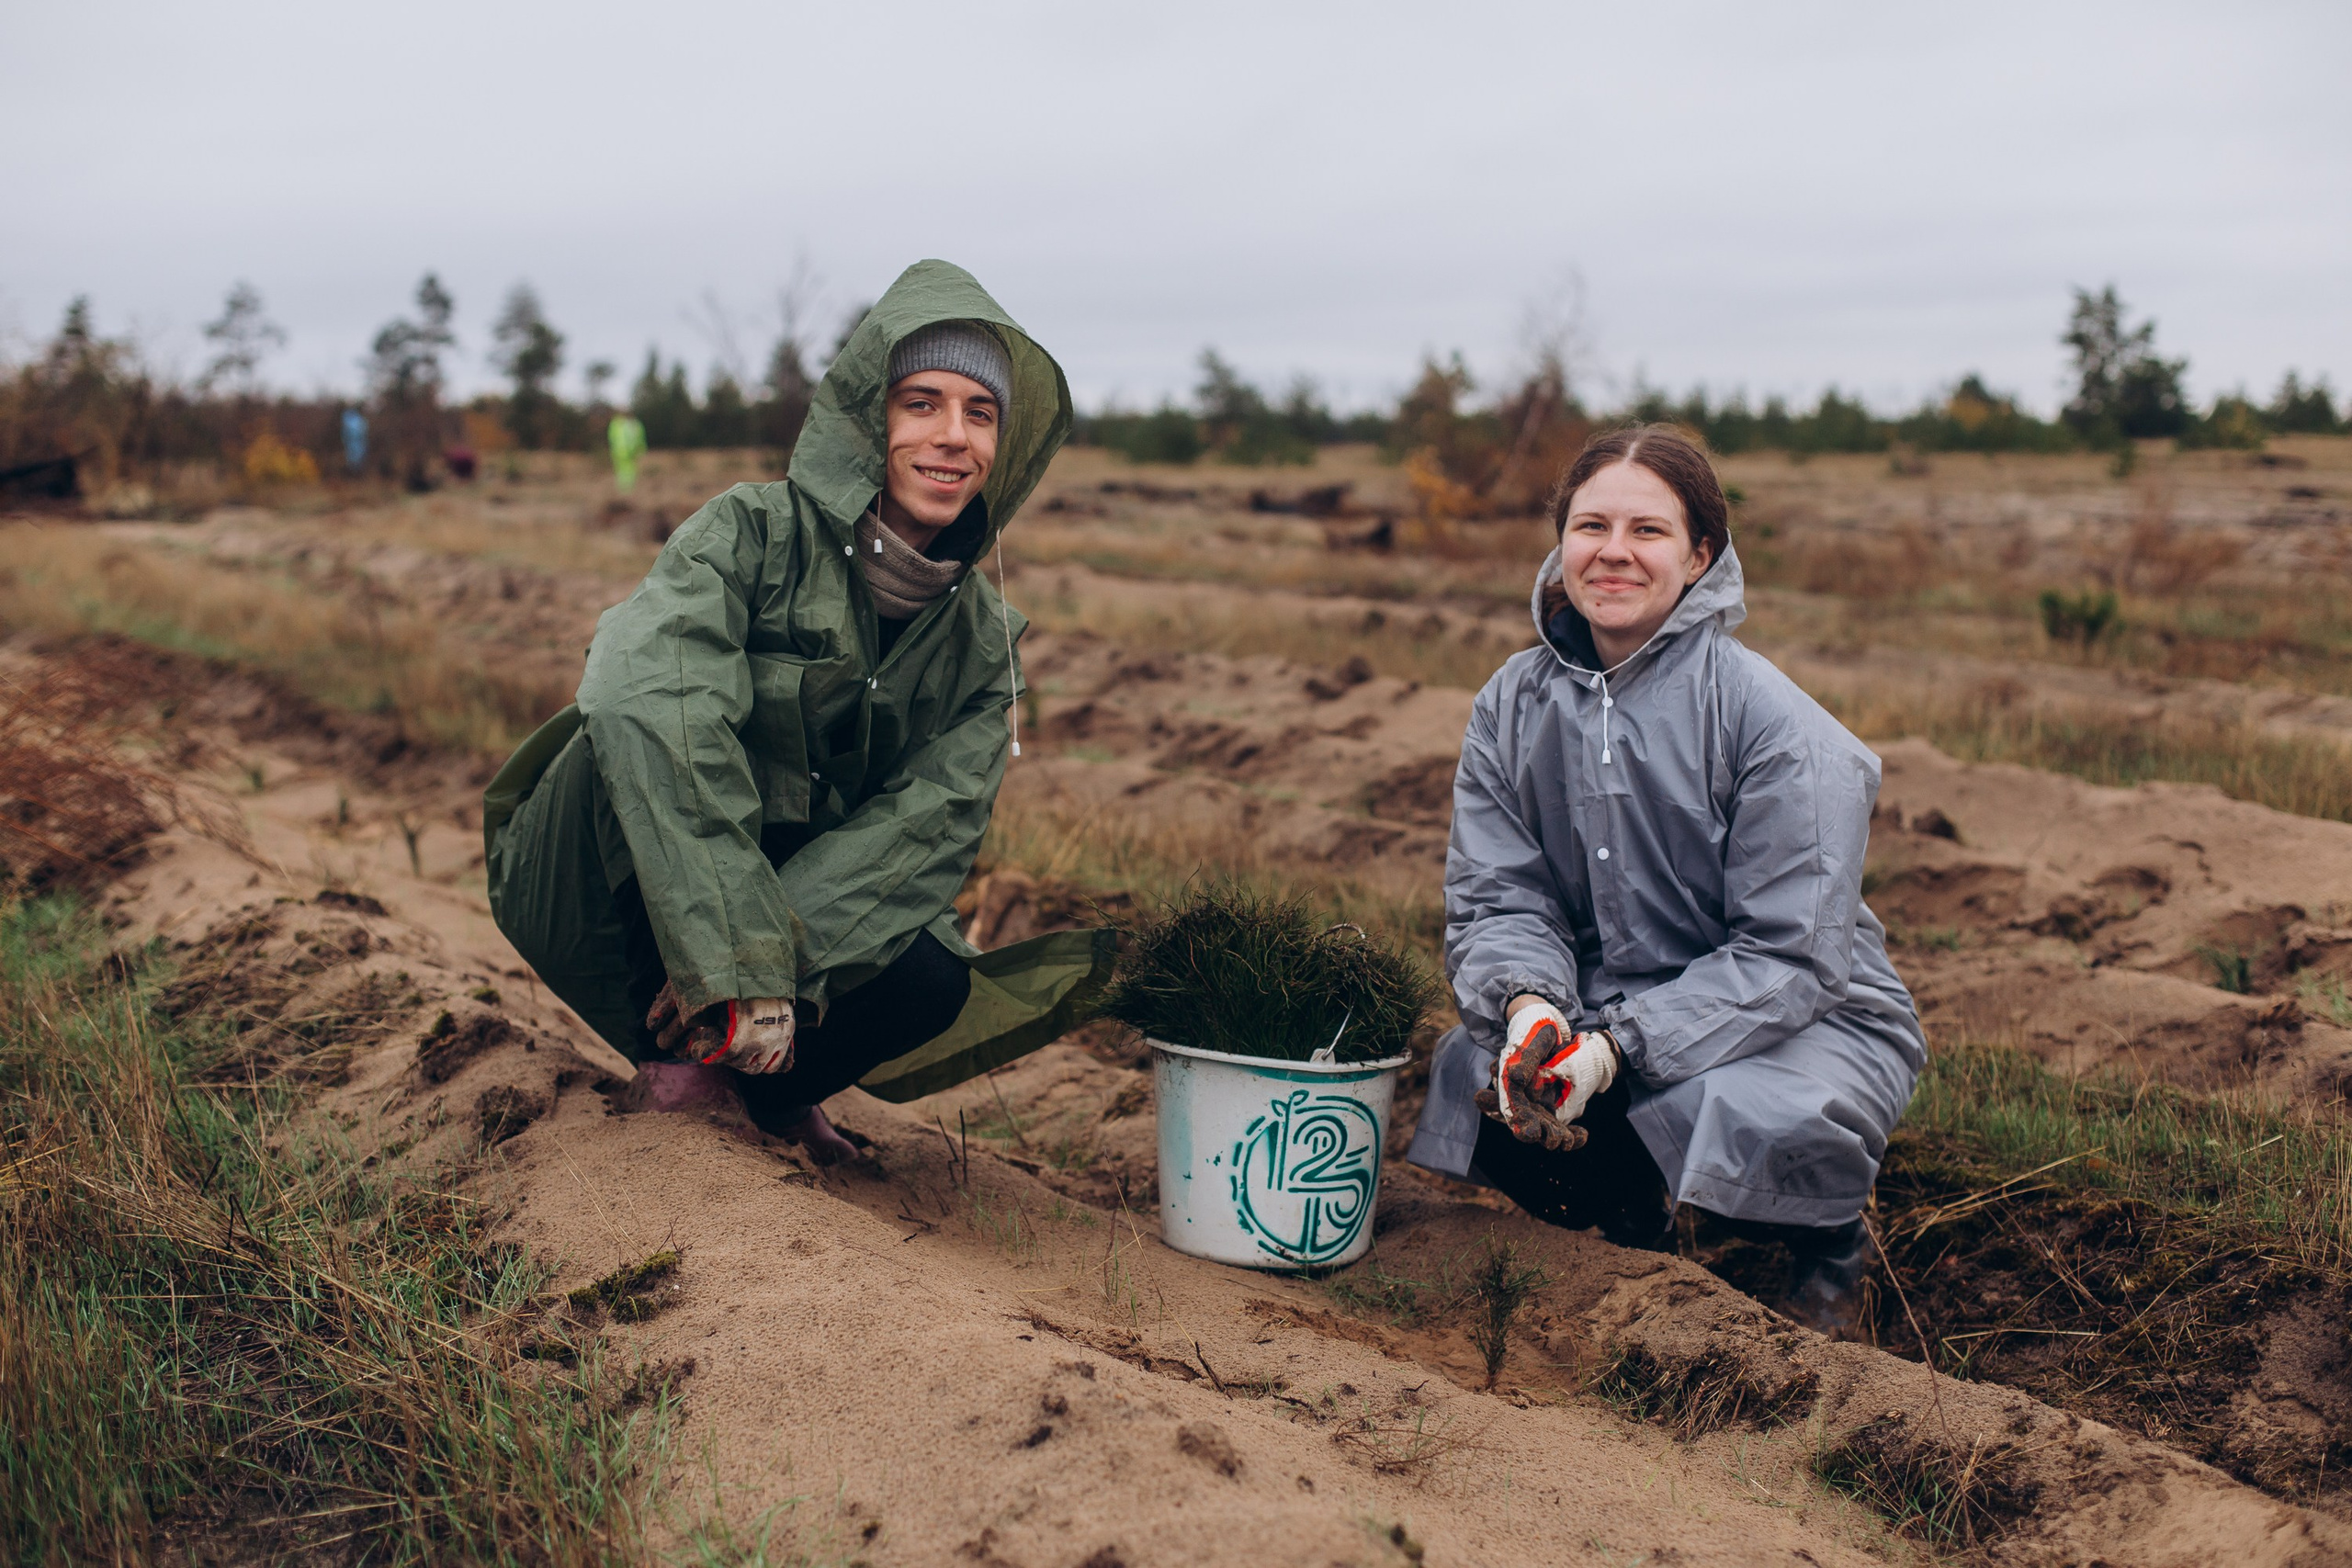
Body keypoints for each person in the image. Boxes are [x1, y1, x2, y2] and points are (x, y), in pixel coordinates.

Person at [481, 260, 1112, 1160]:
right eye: (921, 402)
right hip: (618, 879)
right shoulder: (746, 534)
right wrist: (726, 955)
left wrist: (774, 970)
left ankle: (772, 1091)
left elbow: (926, 829)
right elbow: (648, 703)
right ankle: (677, 1056)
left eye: (980, 414)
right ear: (870, 417)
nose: (952, 437)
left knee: (928, 975)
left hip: (780, 919)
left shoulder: (982, 643)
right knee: (646, 740)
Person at [1406, 424, 1925, 1335]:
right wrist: (1531, 1005)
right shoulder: (1510, 704)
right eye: (1590, 525)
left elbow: (1790, 956)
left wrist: (1617, 1049)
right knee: (1473, 1067)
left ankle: (1831, 1248)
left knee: (1719, 1104)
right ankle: (1636, 1228)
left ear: (1700, 555)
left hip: (1800, 1012)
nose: (1613, 552)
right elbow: (1501, 894)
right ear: (1560, 542)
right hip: (1609, 997)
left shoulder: (1770, 721)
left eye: (1647, 531)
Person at [607, 408, 647, 492]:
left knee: (630, 470)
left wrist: (639, 449)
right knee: (622, 471)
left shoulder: (633, 425)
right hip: (620, 452)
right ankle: (624, 489)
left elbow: (639, 438)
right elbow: (612, 438)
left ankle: (628, 489)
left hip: (629, 452)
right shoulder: (617, 424)